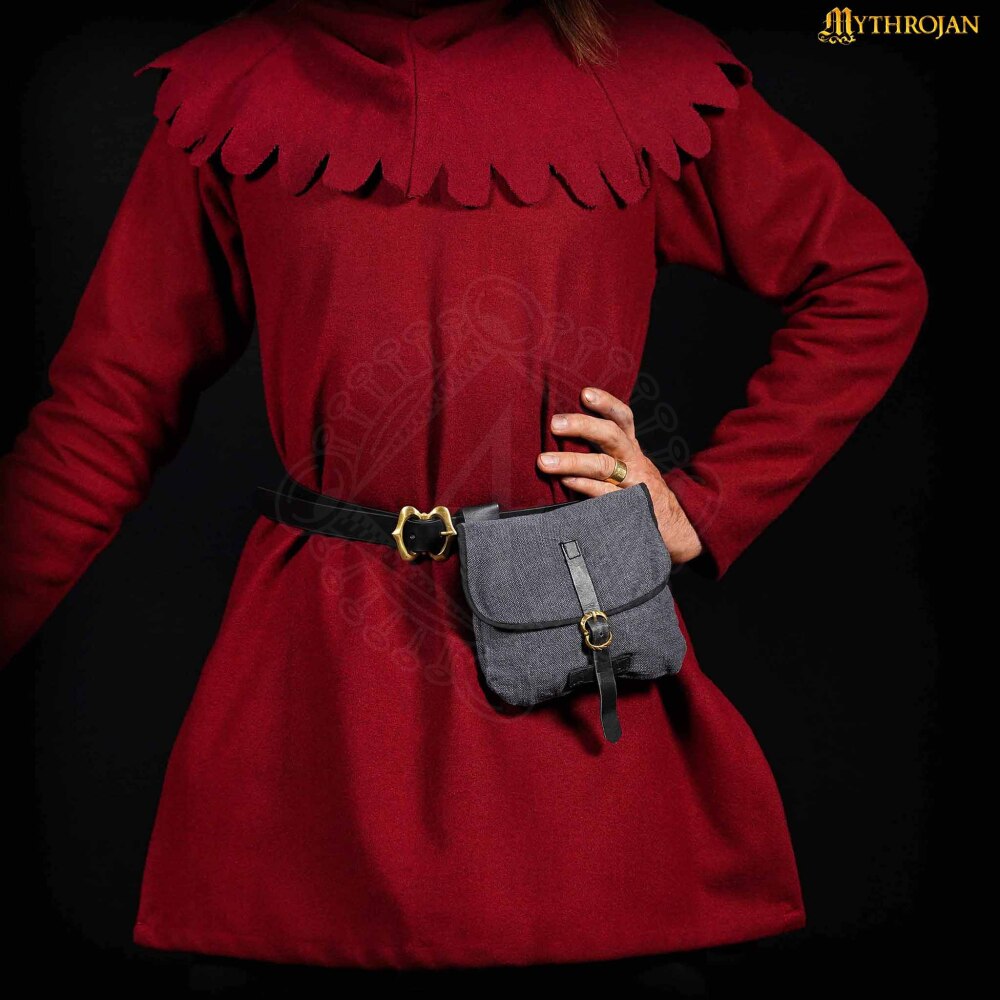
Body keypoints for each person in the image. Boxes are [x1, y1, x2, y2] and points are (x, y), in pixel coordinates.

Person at [0, 0, 928, 978]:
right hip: (316, 720)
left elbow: (867, 281)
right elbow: (101, 418)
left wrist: (705, 505)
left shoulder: (641, 65)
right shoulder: (235, 83)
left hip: (572, 675)